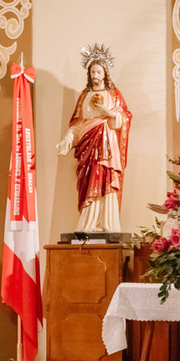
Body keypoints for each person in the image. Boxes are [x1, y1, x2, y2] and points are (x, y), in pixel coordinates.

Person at [56, 58, 132, 233]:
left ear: (105, 73)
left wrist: (107, 112)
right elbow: (78, 123)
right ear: (88, 74)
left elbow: (125, 118)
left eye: (98, 72)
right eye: (92, 72)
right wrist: (67, 139)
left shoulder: (114, 95)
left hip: (108, 146)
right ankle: (88, 223)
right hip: (88, 144)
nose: (95, 75)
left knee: (106, 177)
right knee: (90, 179)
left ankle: (108, 223)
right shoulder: (84, 95)